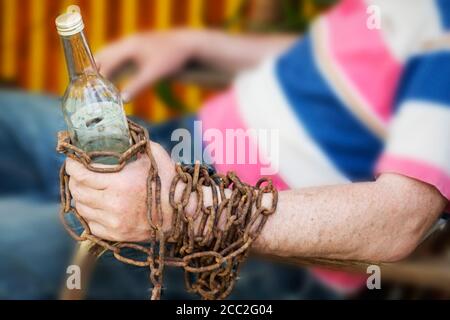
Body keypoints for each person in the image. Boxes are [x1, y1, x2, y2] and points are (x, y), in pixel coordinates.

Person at [1, 0, 449, 299]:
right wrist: (197, 42)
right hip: (177, 143)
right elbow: (337, 57)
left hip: (240, 244)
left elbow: (400, 219)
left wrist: (179, 208)